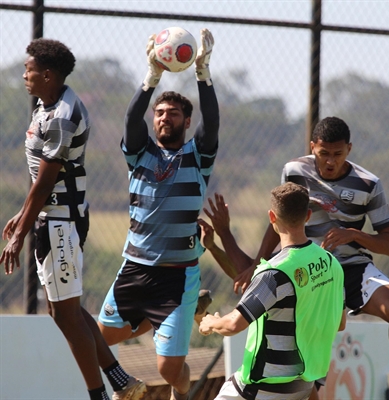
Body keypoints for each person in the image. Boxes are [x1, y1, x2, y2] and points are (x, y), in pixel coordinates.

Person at [0, 38, 142, 400]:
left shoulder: (64, 115)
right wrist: (23, 216)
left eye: (29, 69)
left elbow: (48, 179)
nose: (24, 74)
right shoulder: (46, 105)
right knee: (66, 311)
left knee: (66, 315)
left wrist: (19, 234)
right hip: (52, 216)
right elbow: (41, 179)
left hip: (60, 221)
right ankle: (119, 379)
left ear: (47, 75)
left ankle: (101, 394)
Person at [218, 116, 389, 392]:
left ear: (349, 149)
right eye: (323, 153)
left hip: (349, 267)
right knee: (303, 359)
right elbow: (280, 219)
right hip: (304, 268)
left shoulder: (368, 184)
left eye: (337, 154)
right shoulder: (294, 170)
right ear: (312, 146)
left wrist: (353, 234)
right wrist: (257, 264)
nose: (330, 161)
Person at [97, 29, 219, 400]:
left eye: (174, 113)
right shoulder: (140, 154)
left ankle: (182, 393)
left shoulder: (198, 157)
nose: (165, 118)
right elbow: (132, 117)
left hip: (177, 276)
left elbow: (211, 123)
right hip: (135, 267)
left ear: (185, 122)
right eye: (160, 113)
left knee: (169, 370)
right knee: (100, 339)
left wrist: (203, 73)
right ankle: (130, 375)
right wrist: (151, 76)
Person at [199, 182, 346, 400]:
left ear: (272, 217)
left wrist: (210, 322)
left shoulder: (274, 273)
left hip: (262, 387)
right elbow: (340, 323)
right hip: (303, 386)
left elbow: (232, 325)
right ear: (307, 216)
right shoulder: (332, 263)